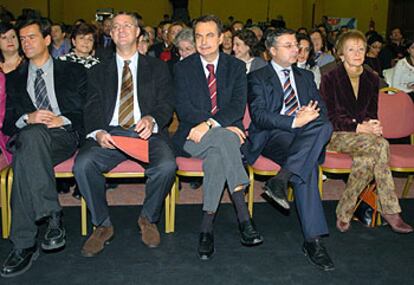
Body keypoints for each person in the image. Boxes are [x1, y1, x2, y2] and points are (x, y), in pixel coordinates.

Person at [73, 12, 176, 258]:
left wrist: (152, 119)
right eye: (115, 26)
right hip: (112, 134)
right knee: (83, 165)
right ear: (110, 34)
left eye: (127, 25)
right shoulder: (99, 70)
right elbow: (92, 105)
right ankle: (102, 224)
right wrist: (98, 132)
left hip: (146, 134)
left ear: (138, 32)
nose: (121, 30)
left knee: (167, 165)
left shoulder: (157, 67)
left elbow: (166, 104)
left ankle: (148, 219)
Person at [0, 17, 86, 278]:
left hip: (62, 136)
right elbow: (6, 122)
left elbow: (87, 109)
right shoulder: (13, 78)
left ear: (47, 39)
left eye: (31, 37)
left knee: (26, 155)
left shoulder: (73, 71)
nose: (25, 43)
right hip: (29, 137)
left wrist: (64, 119)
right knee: (32, 138)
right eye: (22, 39)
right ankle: (51, 218)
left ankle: (24, 244)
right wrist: (28, 117)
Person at [173, 14, 263, 261]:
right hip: (193, 135)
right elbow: (183, 108)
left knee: (217, 156)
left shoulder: (235, 67)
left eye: (210, 35)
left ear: (222, 38)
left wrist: (212, 124)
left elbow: (236, 106)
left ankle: (206, 228)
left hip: (219, 133)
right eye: (198, 36)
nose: (203, 41)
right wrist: (214, 126)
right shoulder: (183, 68)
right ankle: (244, 217)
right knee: (225, 140)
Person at [246, 28, 334, 271]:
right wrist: (294, 121)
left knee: (323, 126)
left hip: (305, 136)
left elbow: (323, 111)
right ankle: (313, 241)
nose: (296, 49)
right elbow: (260, 116)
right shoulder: (258, 77)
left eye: (296, 44)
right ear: (272, 51)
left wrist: (309, 115)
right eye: (288, 45)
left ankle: (281, 179)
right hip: (275, 136)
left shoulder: (306, 77)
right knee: (309, 166)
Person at [319, 30, 413, 235]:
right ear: (341, 54)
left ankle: (344, 211)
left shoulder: (371, 78)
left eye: (361, 48)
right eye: (351, 49)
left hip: (364, 138)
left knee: (367, 159)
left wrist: (373, 124)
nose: (357, 53)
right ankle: (390, 210)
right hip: (337, 135)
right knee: (381, 145)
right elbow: (330, 118)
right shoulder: (330, 77)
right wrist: (359, 127)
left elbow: (371, 112)